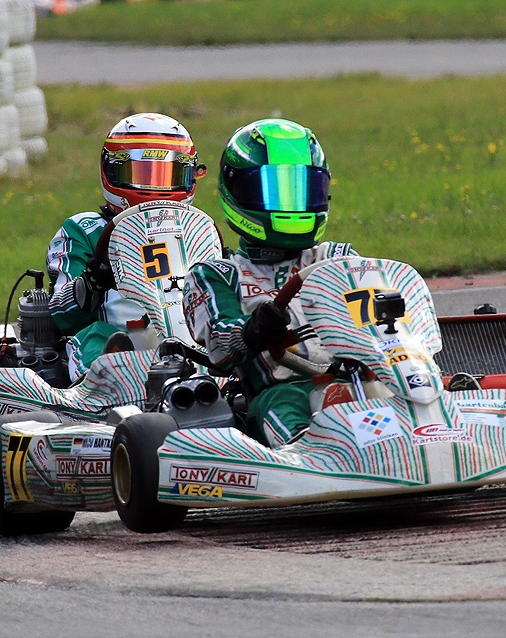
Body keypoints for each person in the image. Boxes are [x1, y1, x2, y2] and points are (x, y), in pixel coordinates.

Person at [183, 118, 356, 448]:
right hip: (281, 389)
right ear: (237, 193)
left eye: (301, 190)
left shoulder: (338, 258)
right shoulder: (217, 274)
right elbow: (219, 350)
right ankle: (310, 451)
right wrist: (253, 329)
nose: (290, 205)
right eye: (274, 191)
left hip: (356, 377)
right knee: (282, 406)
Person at [47, 113, 207, 380]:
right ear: (111, 171)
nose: (154, 189)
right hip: (116, 338)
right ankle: (111, 384)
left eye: (166, 176)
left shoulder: (197, 231)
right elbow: (60, 315)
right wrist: (91, 282)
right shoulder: (84, 230)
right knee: (98, 336)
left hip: (186, 337)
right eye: (141, 174)